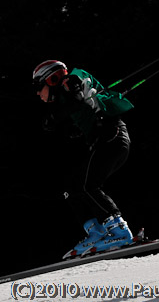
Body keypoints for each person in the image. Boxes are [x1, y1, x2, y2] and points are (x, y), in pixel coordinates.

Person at [32, 60, 135, 257]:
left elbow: (77, 98)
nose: (38, 93)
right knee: (72, 188)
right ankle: (96, 232)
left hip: (112, 136)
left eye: (39, 87)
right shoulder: (64, 96)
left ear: (51, 79)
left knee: (88, 185)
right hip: (104, 140)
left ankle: (119, 228)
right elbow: (80, 107)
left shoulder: (70, 81)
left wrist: (54, 118)